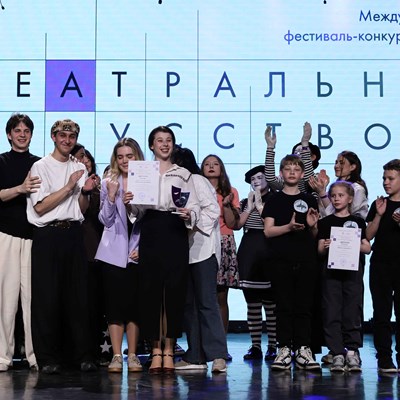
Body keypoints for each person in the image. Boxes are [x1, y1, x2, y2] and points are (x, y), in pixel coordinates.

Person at [26, 118, 98, 374]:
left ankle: (81, 355)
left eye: (72, 137)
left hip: (73, 234)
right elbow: (40, 206)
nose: (67, 140)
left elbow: (81, 209)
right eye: (63, 135)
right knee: (47, 297)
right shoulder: (40, 166)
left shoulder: (79, 166)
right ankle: (47, 358)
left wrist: (85, 192)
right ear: (53, 137)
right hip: (47, 235)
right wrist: (69, 187)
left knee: (77, 297)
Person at [133, 126, 199, 373]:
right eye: (159, 140)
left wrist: (189, 214)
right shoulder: (142, 171)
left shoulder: (183, 173)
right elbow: (137, 211)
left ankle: (169, 349)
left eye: (168, 140)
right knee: (150, 291)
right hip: (151, 228)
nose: (164, 144)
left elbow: (194, 206)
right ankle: (155, 350)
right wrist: (130, 202)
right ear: (151, 145)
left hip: (174, 229)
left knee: (173, 291)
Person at [171, 146, 228, 373]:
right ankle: (195, 355)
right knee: (189, 306)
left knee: (207, 302)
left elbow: (213, 210)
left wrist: (191, 219)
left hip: (203, 249)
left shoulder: (197, 180)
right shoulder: (171, 183)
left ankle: (218, 356)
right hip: (182, 251)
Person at [263, 154, 320, 371]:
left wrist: (313, 226)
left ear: (303, 174)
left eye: (296, 169)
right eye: (288, 169)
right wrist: (288, 227)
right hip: (280, 260)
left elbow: (314, 234)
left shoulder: (310, 199)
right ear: (281, 173)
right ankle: (284, 348)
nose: (292, 172)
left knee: (304, 306)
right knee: (283, 306)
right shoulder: (274, 199)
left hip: (306, 259)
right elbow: (268, 231)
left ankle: (304, 349)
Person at [95, 138, 144, 373]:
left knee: (134, 307)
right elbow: (105, 220)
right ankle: (116, 355)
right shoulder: (108, 183)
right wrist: (112, 197)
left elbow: (151, 220)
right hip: (112, 252)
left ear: (137, 157)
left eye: (129, 156)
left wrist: (143, 248)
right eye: (121, 156)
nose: (125, 160)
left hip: (137, 253)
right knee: (114, 306)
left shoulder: (146, 181)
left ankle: (132, 355)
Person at [0, 114, 40, 372]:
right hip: (6, 235)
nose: (22, 134)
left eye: (26, 130)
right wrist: (20, 189)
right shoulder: (1, 161)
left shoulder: (40, 163)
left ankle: (35, 355)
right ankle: (3, 356)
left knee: (33, 300)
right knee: (6, 299)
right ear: (9, 134)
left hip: (34, 237)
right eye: (17, 130)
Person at [317, 181, 371, 372]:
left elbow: (367, 247)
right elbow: (320, 250)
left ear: (350, 199)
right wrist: (326, 245)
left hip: (352, 274)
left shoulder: (358, 222)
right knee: (331, 311)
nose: (336, 199)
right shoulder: (325, 222)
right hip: (331, 274)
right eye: (333, 195)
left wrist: (353, 243)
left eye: (341, 195)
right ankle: (337, 352)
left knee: (352, 311)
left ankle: (352, 351)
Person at [226, 165, 277, 361]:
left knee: (271, 304)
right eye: (253, 179)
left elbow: (271, 225)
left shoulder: (275, 199)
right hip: (249, 251)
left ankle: (273, 345)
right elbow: (237, 225)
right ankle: (255, 346)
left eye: (260, 177)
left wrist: (261, 206)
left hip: (269, 250)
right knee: (252, 302)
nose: (256, 181)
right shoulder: (246, 201)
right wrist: (249, 205)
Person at [201, 154, 240, 360]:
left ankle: (221, 346)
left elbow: (233, 224)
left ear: (221, 168)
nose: (211, 167)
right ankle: (202, 344)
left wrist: (226, 205)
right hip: (203, 242)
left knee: (221, 296)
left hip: (224, 242)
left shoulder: (231, 192)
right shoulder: (197, 190)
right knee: (202, 296)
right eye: (207, 164)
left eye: (215, 164)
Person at [366, 159, 400, 373]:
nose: (386, 182)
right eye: (384, 178)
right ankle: (384, 358)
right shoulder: (379, 204)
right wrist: (379, 215)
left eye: (391, 178)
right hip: (381, 264)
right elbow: (368, 235)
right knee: (381, 313)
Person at [309, 150, 368, 219]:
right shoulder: (333, 189)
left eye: (341, 163)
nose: (336, 166)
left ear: (352, 167)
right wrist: (322, 189)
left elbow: (347, 215)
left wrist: (322, 193)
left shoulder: (358, 189)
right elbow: (324, 213)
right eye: (336, 162)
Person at [264, 122, 317, 193]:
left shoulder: (315, 177)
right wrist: (270, 148)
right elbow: (270, 179)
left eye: (302, 152)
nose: (298, 154)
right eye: (296, 152)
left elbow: (309, 178)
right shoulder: (285, 179)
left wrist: (305, 143)